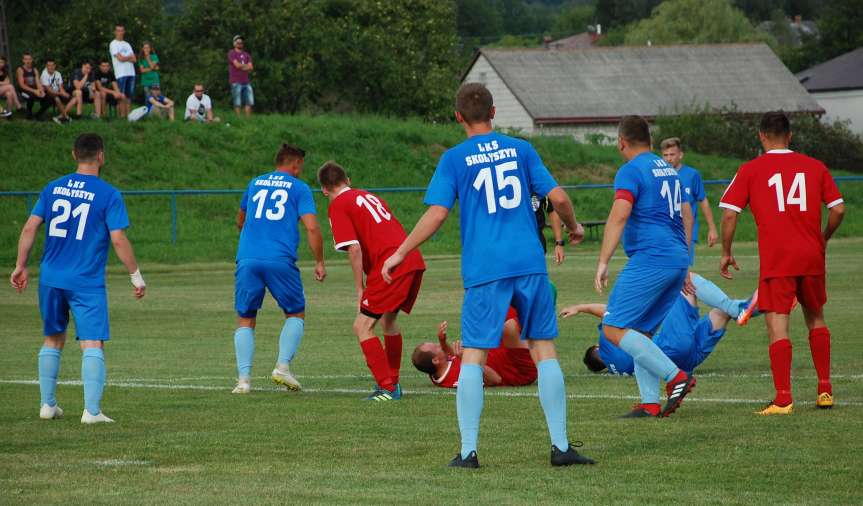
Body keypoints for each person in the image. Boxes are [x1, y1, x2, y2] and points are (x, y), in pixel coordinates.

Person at [381, 83, 593, 468]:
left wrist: (401, 251)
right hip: (529, 262)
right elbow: (558, 198)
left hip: (485, 268)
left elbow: (438, 213)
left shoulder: (454, 159)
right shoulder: (522, 149)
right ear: (494, 113)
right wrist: (573, 226)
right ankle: (560, 447)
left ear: (458, 117)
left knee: (475, 357)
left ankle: (468, 452)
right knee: (543, 350)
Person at [9, 133, 146, 424]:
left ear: (74, 154)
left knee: (52, 338)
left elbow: (30, 227)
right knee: (92, 342)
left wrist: (21, 265)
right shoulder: (108, 194)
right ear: (101, 156)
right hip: (85, 280)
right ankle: (92, 412)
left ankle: (48, 405)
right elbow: (118, 239)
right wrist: (135, 275)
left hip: (51, 277)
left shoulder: (53, 188)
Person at [719, 111, 845, 415]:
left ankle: (783, 398)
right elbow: (838, 209)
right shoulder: (815, 166)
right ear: (790, 136)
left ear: (762, 136)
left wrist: (726, 251)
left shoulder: (750, 169)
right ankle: (825, 390)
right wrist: (824, 236)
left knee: (777, 324)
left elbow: (729, 214)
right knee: (816, 317)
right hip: (811, 255)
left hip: (778, 259)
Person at [595, 115, 696, 418]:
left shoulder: (630, 171)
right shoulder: (669, 170)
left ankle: (676, 376)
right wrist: (684, 263)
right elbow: (684, 217)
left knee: (614, 327)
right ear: (651, 143)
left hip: (652, 257)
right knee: (642, 331)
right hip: (676, 255)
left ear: (621, 142)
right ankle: (650, 402)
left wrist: (603, 261)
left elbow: (619, 215)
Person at [318, 161, 426, 401]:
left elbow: (354, 249)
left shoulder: (338, 204)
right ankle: (393, 381)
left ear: (324, 190)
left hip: (390, 266)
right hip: (410, 258)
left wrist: (359, 289)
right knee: (389, 321)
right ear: (347, 181)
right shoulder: (367, 196)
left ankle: (387, 387)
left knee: (362, 326)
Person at [231, 144, 326, 394]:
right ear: (294, 164)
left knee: (246, 317)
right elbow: (312, 228)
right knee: (296, 312)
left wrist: (251, 238)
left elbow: (240, 218)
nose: (300, 171)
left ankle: (243, 381)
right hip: (279, 259)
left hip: (247, 258)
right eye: (300, 167)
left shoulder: (254, 183)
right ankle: (282, 367)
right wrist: (319, 261)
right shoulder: (299, 188)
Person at [562, 273, 756, 382]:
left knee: (721, 313)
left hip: (687, 362)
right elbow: (609, 313)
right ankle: (752, 305)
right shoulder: (606, 341)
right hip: (672, 346)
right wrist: (581, 308)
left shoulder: (616, 370)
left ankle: (764, 303)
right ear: (597, 348)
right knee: (685, 279)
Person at [414, 306, 540, 389]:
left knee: (498, 307)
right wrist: (467, 360)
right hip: (518, 369)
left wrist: (443, 342)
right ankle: (541, 305)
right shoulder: (455, 379)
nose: (438, 345)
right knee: (508, 326)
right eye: (435, 347)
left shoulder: (437, 369)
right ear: (435, 360)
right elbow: (495, 379)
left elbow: (451, 357)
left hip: (501, 352)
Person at [660, 137, 719, 264]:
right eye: (665, 155)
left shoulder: (692, 175)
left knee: (683, 269)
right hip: (666, 231)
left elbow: (703, 200)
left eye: (672, 154)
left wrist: (712, 228)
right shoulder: (659, 176)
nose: (669, 158)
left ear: (680, 155)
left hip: (686, 231)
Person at [531, 193, 567, 264]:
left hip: (536, 241)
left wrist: (559, 242)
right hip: (510, 241)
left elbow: (552, 210)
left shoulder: (537, 186)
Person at [109, 24, 136, 118]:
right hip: (121, 73)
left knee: (129, 96)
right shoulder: (113, 43)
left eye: (122, 30)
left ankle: (128, 116)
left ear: (124, 32)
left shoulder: (127, 44)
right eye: (118, 30)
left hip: (131, 73)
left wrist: (125, 57)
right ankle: (121, 116)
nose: (120, 32)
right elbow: (120, 58)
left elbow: (134, 59)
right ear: (115, 32)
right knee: (121, 96)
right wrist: (128, 57)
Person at [16, 52, 51, 120]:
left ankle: (39, 114)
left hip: (33, 89)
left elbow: (38, 82)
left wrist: (41, 90)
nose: (28, 61)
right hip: (23, 91)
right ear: (23, 60)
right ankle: (29, 113)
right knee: (30, 96)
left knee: (48, 97)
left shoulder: (34, 70)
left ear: (32, 60)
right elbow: (22, 85)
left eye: (29, 59)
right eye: (26, 59)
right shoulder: (20, 69)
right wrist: (35, 91)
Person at [228, 35, 254, 116]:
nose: (240, 43)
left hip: (246, 81)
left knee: (249, 101)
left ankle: (247, 119)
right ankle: (238, 119)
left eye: (241, 42)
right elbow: (237, 65)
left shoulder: (247, 55)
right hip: (236, 81)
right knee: (237, 102)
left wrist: (242, 66)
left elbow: (251, 67)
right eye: (238, 42)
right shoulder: (232, 53)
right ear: (234, 43)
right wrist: (246, 66)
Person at [40, 58, 72, 124]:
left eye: (52, 65)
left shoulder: (58, 74)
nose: (50, 67)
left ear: (55, 66)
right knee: (56, 98)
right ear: (46, 66)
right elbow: (49, 90)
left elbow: (61, 87)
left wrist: (64, 93)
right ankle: (65, 116)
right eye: (49, 65)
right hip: (46, 94)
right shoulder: (44, 74)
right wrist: (61, 93)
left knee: (72, 97)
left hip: (57, 93)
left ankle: (61, 116)